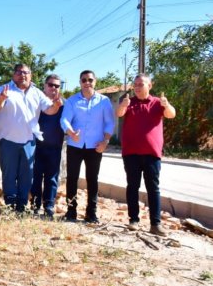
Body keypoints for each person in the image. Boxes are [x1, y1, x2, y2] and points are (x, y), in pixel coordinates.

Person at [0, 63, 62, 213]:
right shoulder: (4, 89)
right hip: (8, 140)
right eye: (19, 72)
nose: (22, 75)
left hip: (29, 141)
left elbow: (49, 110)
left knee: (26, 175)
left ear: (31, 75)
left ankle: (22, 205)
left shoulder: (37, 93)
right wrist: (2, 98)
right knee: (9, 174)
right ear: (13, 75)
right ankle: (10, 204)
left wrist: (56, 106)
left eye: (26, 72)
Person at [116, 74, 176, 235]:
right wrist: (123, 105)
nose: (136, 87)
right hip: (131, 153)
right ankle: (133, 220)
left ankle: (155, 224)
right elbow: (119, 114)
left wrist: (167, 105)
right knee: (133, 187)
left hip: (152, 154)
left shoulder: (157, 102)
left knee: (153, 188)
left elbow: (171, 114)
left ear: (150, 85)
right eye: (135, 84)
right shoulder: (129, 102)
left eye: (140, 84)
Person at [61, 70, 115, 223]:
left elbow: (110, 122)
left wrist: (105, 141)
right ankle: (71, 211)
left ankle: (91, 213)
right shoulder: (72, 101)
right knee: (71, 178)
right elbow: (65, 120)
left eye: (90, 80)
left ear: (95, 82)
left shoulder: (104, 101)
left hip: (95, 147)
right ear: (80, 82)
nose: (87, 83)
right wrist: (71, 133)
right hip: (75, 145)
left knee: (92, 179)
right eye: (84, 80)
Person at [30, 74, 64, 219]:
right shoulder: (36, 102)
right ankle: (35, 205)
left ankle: (49, 206)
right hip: (36, 146)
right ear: (44, 86)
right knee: (35, 177)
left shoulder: (64, 105)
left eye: (57, 86)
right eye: (50, 85)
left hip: (55, 147)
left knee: (52, 178)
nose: (53, 88)